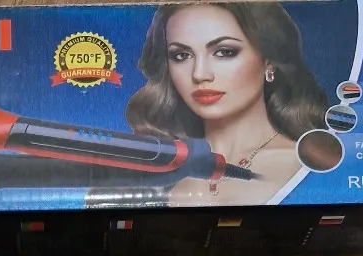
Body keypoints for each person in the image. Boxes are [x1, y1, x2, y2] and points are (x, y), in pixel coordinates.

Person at [125, 3, 331, 204]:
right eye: (182, 56)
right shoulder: (160, 168)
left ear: (269, 61)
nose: (200, 74)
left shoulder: (307, 166)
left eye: (224, 52)